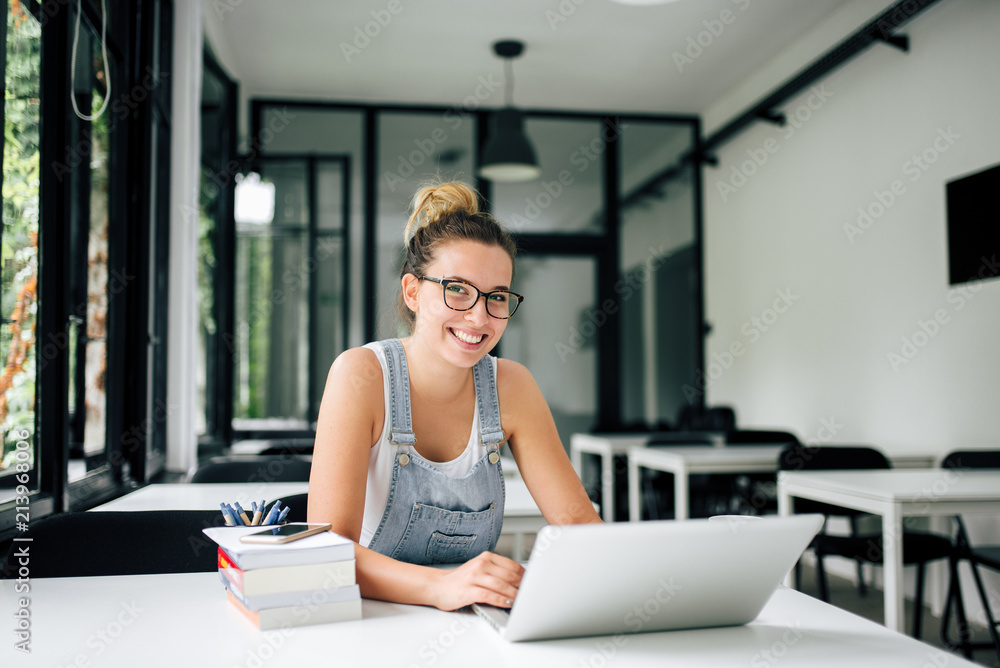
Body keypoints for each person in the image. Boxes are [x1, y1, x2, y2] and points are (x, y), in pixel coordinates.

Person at [308, 181, 601, 612]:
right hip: (371, 624)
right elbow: (326, 553)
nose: (479, 316)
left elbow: (578, 524)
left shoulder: (512, 387)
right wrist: (442, 588)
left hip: (474, 621)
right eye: (458, 289)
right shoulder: (361, 375)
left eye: (496, 296)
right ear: (413, 292)